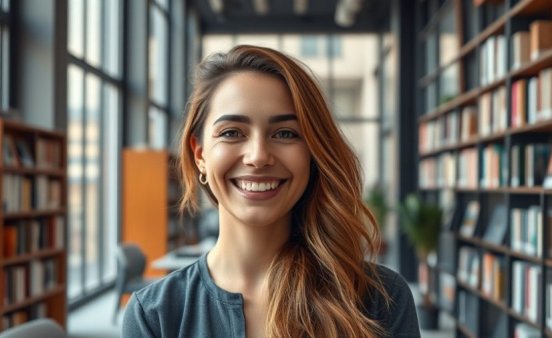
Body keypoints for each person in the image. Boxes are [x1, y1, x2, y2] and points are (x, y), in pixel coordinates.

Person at [123, 45, 420, 338]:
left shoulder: (381, 299)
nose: (258, 155)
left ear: (313, 153)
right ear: (200, 155)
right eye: (231, 133)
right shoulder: (154, 315)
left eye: (285, 133)